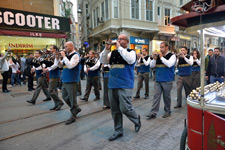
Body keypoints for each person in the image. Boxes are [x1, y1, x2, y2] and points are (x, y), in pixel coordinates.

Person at [100, 33, 141, 141]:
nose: (118, 41)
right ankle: (118, 130)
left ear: (127, 42)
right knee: (115, 109)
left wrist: (119, 48)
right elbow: (103, 61)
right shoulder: (113, 53)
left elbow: (130, 60)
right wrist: (106, 49)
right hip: (112, 84)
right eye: (118, 39)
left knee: (125, 108)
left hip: (125, 84)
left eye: (121, 39)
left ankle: (136, 119)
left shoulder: (131, 52)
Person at [145, 42, 176, 119]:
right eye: (160, 47)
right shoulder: (158, 56)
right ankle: (153, 112)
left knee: (166, 97)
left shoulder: (172, 56)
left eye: (162, 47)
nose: (161, 49)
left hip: (167, 80)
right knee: (156, 96)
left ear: (166, 47)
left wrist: (161, 57)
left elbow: (169, 64)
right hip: (158, 79)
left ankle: (167, 111)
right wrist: (154, 59)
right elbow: (151, 66)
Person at [58, 41, 82, 125]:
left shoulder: (75, 55)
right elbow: (62, 66)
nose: (65, 48)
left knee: (72, 98)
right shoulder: (67, 56)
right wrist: (58, 59)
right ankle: (76, 109)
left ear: (72, 46)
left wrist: (64, 56)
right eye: (64, 47)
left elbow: (70, 66)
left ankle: (73, 116)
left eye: (66, 47)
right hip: (65, 79)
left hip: (72, 80)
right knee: (64, 96)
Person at [42, 45, 64, 111]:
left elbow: (56, 65)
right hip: (51, 74)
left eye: (51, 48)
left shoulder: (57, 55)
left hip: (55, 74)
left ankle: (60, 102)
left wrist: (47, 69)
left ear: (55, 49)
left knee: (50, 90)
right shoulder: (51, 55)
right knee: (54, 90)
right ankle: (57, 104)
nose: (50, 50)